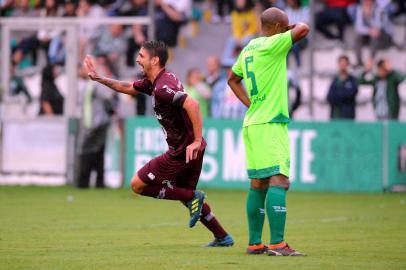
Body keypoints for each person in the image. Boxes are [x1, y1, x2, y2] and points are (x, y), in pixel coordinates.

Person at [84, 40, 234, 247]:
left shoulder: (163, 87)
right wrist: (99, 78)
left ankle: (193, 197)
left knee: (138, 184)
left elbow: (193, 104)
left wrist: (196, 141)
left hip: (182, 151)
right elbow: (127, 87)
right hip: (190, 149)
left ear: (154, 60)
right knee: (184, 196)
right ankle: (222, 237)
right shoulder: (155, 81)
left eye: (141, 56)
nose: (137, 59)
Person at [228, 7, 309, 256]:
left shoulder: (249, 47)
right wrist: (288, 27)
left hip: (252, 122)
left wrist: (250, 103)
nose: (286, 30)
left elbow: (232, 78)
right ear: (276, 28)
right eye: (283, 26)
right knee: (279, 181)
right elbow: (304, 28)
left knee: (258, 183)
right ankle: (277, 243)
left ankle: (254, 243)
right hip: (271, 123)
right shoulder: (274, 45)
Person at [76, 54, 118, 188]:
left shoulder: (93, 84)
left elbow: (108, 96)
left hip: (97, 124)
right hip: (92, 124)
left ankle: (85, 183)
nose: (80, 71)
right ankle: (96, 183)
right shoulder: (84, 85)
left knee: (88, 152)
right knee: (96, 153)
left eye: (83, 68)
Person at [327, 55, 358, 119]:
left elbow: (350, 95)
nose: (343, 65)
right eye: (341, 63)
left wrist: (338, 95)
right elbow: (329, 97)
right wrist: (342, 95)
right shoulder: (335, 80)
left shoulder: (352, 80)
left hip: (348, 116)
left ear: (348, 65)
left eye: (344, 64)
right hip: (335, 115)